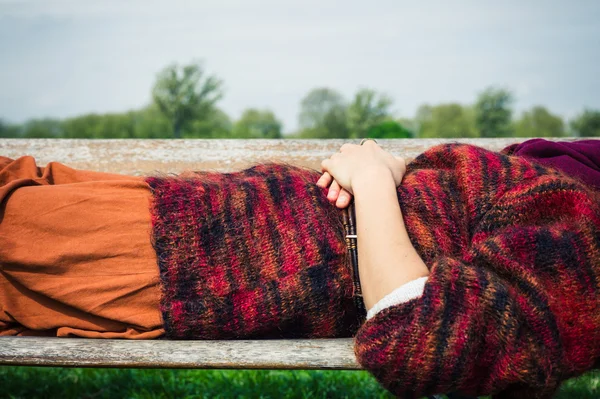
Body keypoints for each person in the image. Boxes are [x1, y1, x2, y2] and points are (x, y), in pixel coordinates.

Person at [1, 139, 600, 398]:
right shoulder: (568, 199)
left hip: (194, 257)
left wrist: (371, 183)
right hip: (202, 216)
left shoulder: (583, 251)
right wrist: (391, 172)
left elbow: (418, 331)